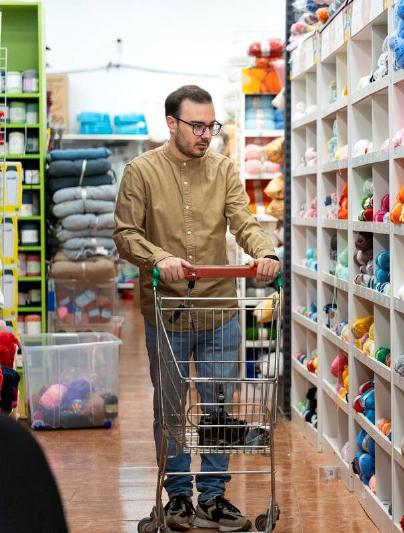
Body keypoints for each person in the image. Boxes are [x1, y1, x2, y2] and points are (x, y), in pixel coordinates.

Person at [114, 85, 280, 532]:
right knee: (169, 409)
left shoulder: (224, 170)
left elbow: (244, 221)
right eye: (197, 126)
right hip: (167, 313)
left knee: (219, 405)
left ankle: (213, 496)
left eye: (211, 126)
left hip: (220, 309)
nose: (207, 135)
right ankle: (178, 499)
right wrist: (158, 258)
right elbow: (126, 234)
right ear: (172, 123)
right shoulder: (140, 172)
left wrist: (265, 253)